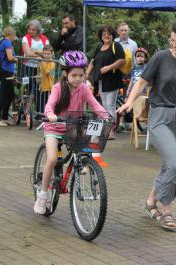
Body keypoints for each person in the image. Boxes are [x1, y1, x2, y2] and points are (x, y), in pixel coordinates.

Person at [118, 20, 176, 231]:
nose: (174, 45)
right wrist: (129, 102)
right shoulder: (160, 57)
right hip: (160, 114)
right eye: (172, 40)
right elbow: (142, 82)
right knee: (174, 163)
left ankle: (151, 199)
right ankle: (166, 209)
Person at [34, 51, 107, 215]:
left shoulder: (84, 88)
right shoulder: (58, 87)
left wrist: (106, 115)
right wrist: (50, 115)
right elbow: (49, 106)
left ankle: (83, 166)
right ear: (65, 74)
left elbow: (95, 106)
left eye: (81, 75)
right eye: (74, 75)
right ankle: (43, 195)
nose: (78, 79)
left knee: (88, 149)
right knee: (52, 158)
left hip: (73, 126)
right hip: (54, 127)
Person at [87, 25, 125, 140]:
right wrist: (87, 74)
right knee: (103, 106)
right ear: (101, 37)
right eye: (104, 34)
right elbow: (93, 61)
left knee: (110, 105)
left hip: (112, 80)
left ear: (113, 35)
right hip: (100, 80)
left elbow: (121, 61)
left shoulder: (116, 45)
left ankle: (110, 130)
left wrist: (108, 67)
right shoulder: (99, 46)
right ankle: (105, 129)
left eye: (109, 34)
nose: (106, 36)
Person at [117, 47, 150, 132]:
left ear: (145, 58)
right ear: (135, 58)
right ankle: (121, 123)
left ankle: (147, 125)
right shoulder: (134, 68)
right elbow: (132, 80)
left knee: (143, 108)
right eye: (138, 56)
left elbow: (148, 81)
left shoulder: (147, 68)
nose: (140, 58)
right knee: (124, 104)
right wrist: (128, 90)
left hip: (142, 92)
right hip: (132, 91)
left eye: (142, 56)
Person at [0, 26, 19, 127]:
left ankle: (4, 118)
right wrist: (16, 60)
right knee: (4, 94)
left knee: (10, 94)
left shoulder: (2, 42)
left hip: (5, 71)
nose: (14, 37)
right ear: (11, 34)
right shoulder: (7, 42)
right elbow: (10, 57)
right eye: (14, 35)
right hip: (6, 71)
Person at [22, 19, 50, 111]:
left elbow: (48, 53)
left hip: (41, 68)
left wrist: (35, 52)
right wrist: (40, 55)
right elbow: (27, 53)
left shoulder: (44, 39)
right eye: (29, 29)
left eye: (33, 30)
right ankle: (25, 111)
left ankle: (39, 112)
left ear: (38, 30)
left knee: (40, 90)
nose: (31, 31)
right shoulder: (26, 38)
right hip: (28, 67)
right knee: (28, 89)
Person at [35, 45, 55, 116]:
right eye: (45, 53)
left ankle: (46, 115)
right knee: (40, 101)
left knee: (46, 102)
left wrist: (43, 64)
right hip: (41, 86)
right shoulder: (41, 62)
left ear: (51, 54)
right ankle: (39, 115)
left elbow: (49, 73)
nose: (46, 55)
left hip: (48, 86)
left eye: (48, 54)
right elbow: (39, 72)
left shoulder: (52, 63)